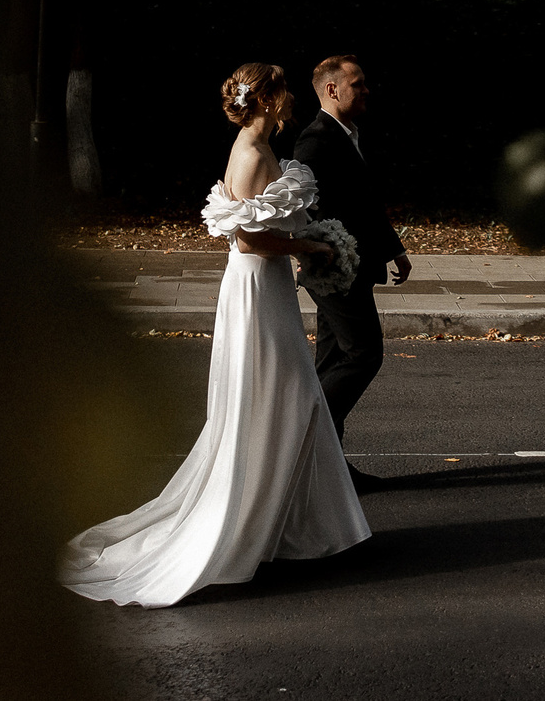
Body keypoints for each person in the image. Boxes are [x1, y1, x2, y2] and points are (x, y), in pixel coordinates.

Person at [58, 62, 369, 607]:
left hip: (268, 287)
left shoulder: (264, 146)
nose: (291, 97)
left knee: (292, 399)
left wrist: (305, 239)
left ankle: (301, 530)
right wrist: (309, 248)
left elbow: (268, 226)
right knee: (278, 399)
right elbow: (247, 242)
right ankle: (257, 531)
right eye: (283, 91)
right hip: (253, 287)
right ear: (268, 99)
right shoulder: (249, 155)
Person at [286, 54, 408, 488]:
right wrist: (323, 251)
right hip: (335, 268)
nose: (366, 90)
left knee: (335, 358)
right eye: (358, 84)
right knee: (362, 354)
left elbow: (364, 202)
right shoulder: (315, 141)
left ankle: (330, 473)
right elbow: (305, 209)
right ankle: (305, 436)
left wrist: (394, 250)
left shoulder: (347, 134)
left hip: (354, 264)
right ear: (332, 90)